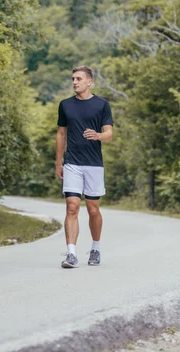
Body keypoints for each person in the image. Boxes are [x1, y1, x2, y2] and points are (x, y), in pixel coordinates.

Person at [56, 66, 113, 268]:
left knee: (93, 209)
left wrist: (97, 135)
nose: (74, 82)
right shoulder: (65, 105)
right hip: (72, 162)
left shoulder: (102, 105)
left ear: (89, 82)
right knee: (72, 206)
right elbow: (61, 134)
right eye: (73, 78)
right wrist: (58, 162)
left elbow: (109, 133)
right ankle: (71, 254)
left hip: (94, 164)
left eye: (79, 78)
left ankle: (95, 248)